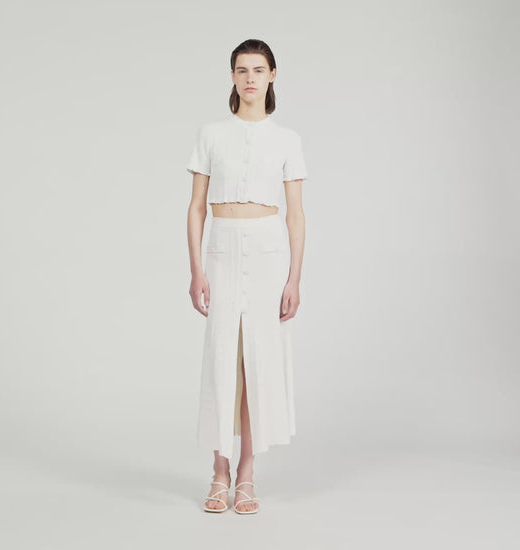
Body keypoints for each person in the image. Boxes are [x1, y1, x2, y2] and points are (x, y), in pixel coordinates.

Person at [186, 39, 308, 514]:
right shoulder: (212, 134)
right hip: (221, 246)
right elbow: (197, 207)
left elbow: (295, 214)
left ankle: (247, 474)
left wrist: (294, 278)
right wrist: (196, 267)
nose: (250, 78)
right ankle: (219, 472)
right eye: (242, 70)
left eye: (258, 69)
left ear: (272, 75)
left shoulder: (287, 139)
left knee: (257, 359)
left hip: (267, 249)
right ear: (233, 77)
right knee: (223, 357)